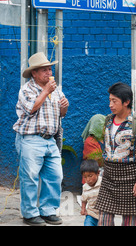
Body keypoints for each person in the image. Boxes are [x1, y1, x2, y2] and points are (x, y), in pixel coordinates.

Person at [13, 52, 69, 226]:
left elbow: (60, 115)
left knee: (55, 176)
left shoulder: (55, 89)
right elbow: (31, 109)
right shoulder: (26, 90)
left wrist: (64, 108)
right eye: (44, 70)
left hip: (50, 140)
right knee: (29, 177)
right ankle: (29, 214)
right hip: (31, 139)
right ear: (34, 74)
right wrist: (46, 91)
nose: (49, 72)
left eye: (50, 69)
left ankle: (47, 211)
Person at [95, 82, 136, 226]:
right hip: (109, 178)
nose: (110, 104)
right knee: (103, 220)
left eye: (114, 101)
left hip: (131, 178)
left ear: (126, 102)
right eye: (109, 100)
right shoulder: (108, 120)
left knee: (130, 223)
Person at [80, 159, 102, 226]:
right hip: (91, 214)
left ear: (98, 173)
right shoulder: (85, 187)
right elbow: (84, 199)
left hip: (102, 215)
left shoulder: (102, 183)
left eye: (90, 176)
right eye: (85, 177)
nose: (88, 180)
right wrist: (83, 209)